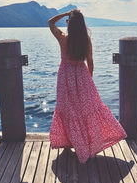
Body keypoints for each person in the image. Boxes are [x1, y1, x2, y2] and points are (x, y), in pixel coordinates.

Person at [48, 9, 127, 164]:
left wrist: (66, 14)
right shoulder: (86, 39)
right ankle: (87, 144)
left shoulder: (63, 38)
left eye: (68, 21)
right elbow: (90, 63)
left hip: (65, 78)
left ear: (70, 24)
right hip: (83, 77)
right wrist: (88, 81)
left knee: (67, 110)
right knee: (87, 110)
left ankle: (71, 142)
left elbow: (50, 22)